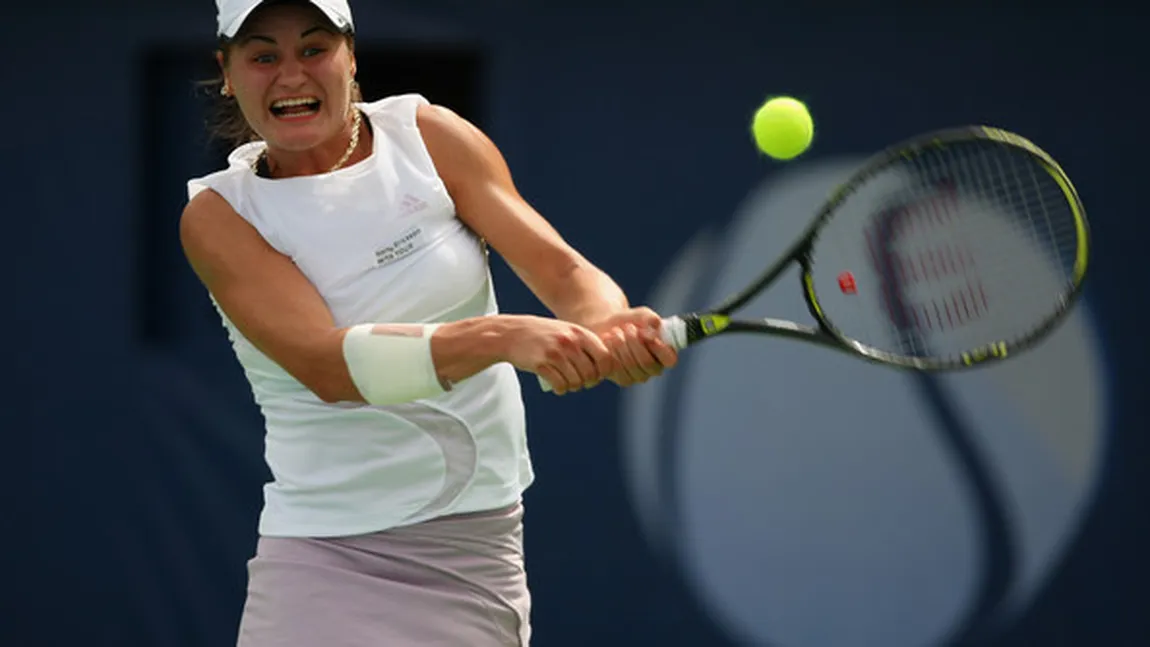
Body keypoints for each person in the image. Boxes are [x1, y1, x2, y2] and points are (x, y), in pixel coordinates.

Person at [179, 0, 678, 645]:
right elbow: (328, 366)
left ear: (351, 56)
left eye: (313, 48)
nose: (292, 75)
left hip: (476, 549)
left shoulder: (428, 137)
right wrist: (504, 337)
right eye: (263, 56)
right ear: (229, 71)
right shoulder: (221, 216)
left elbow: (563, 272)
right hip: (324, 552)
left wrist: (610, 324)